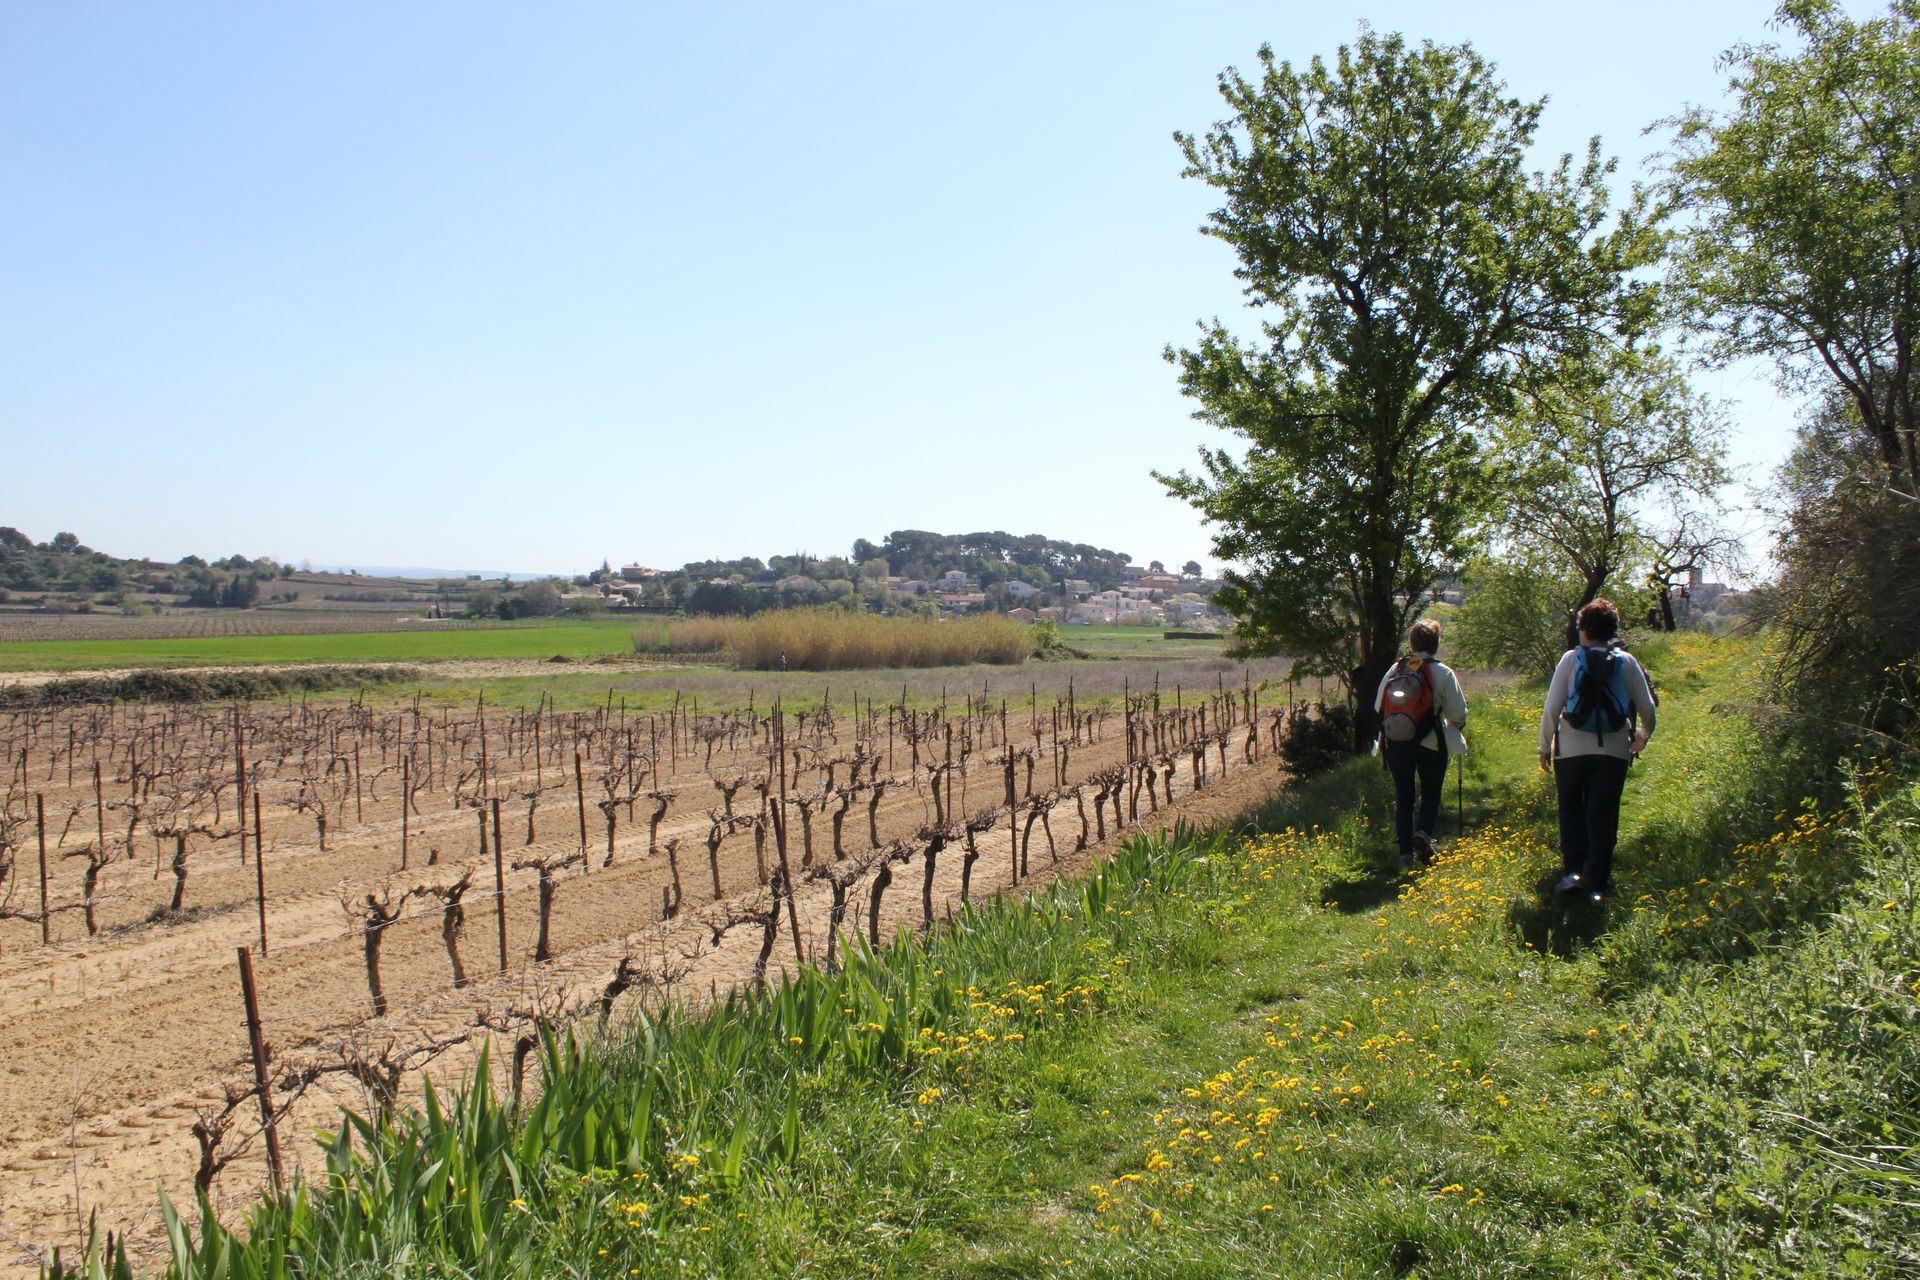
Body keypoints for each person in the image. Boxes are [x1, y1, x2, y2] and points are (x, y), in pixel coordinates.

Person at [1538, 598, 1656, 906]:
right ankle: (1598, 886)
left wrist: (1544, 747)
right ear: (1613, 630)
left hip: (1571, 749)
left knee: (1571, 810)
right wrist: (1642, 735)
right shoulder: (1627, 662)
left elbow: (1552, 708)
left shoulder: (1570, 659)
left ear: (1584, 630)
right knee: (1603, 815)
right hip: (1615, 750)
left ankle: (1573, 874)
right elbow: (1647, 709)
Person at [1374, 619, 1468, 871]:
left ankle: (1405, 853)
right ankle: (1423, 834)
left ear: (1412, 643)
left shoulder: (1396, 668)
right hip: (1431, 743)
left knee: (1404, 797)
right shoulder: (1444, 672)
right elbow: (1458, 713)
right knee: (1431, 793)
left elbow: (1377, 706)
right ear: (1436, 644)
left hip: (1397, 742)